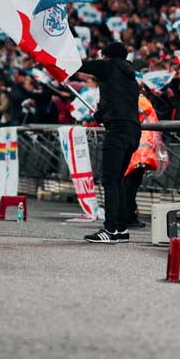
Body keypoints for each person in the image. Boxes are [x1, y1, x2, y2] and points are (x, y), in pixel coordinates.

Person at [77, 42, 141, 243]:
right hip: (132, 130)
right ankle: (121, 229)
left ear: (107, 56)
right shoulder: (131, 77)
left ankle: (111, 229)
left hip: (118, 130)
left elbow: (79, 65)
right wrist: (102, 113)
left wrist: (54, 59)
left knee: (110, 180)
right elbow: (119, 101)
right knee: (118, 180)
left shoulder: (109, 66)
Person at [122, 92, 166, 229]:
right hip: (140, 150)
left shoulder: (130, 99)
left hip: (135, 147)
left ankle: (126, 215)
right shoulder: (139, 101)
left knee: (128, 184)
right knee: (130, 185)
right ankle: (129, 216)